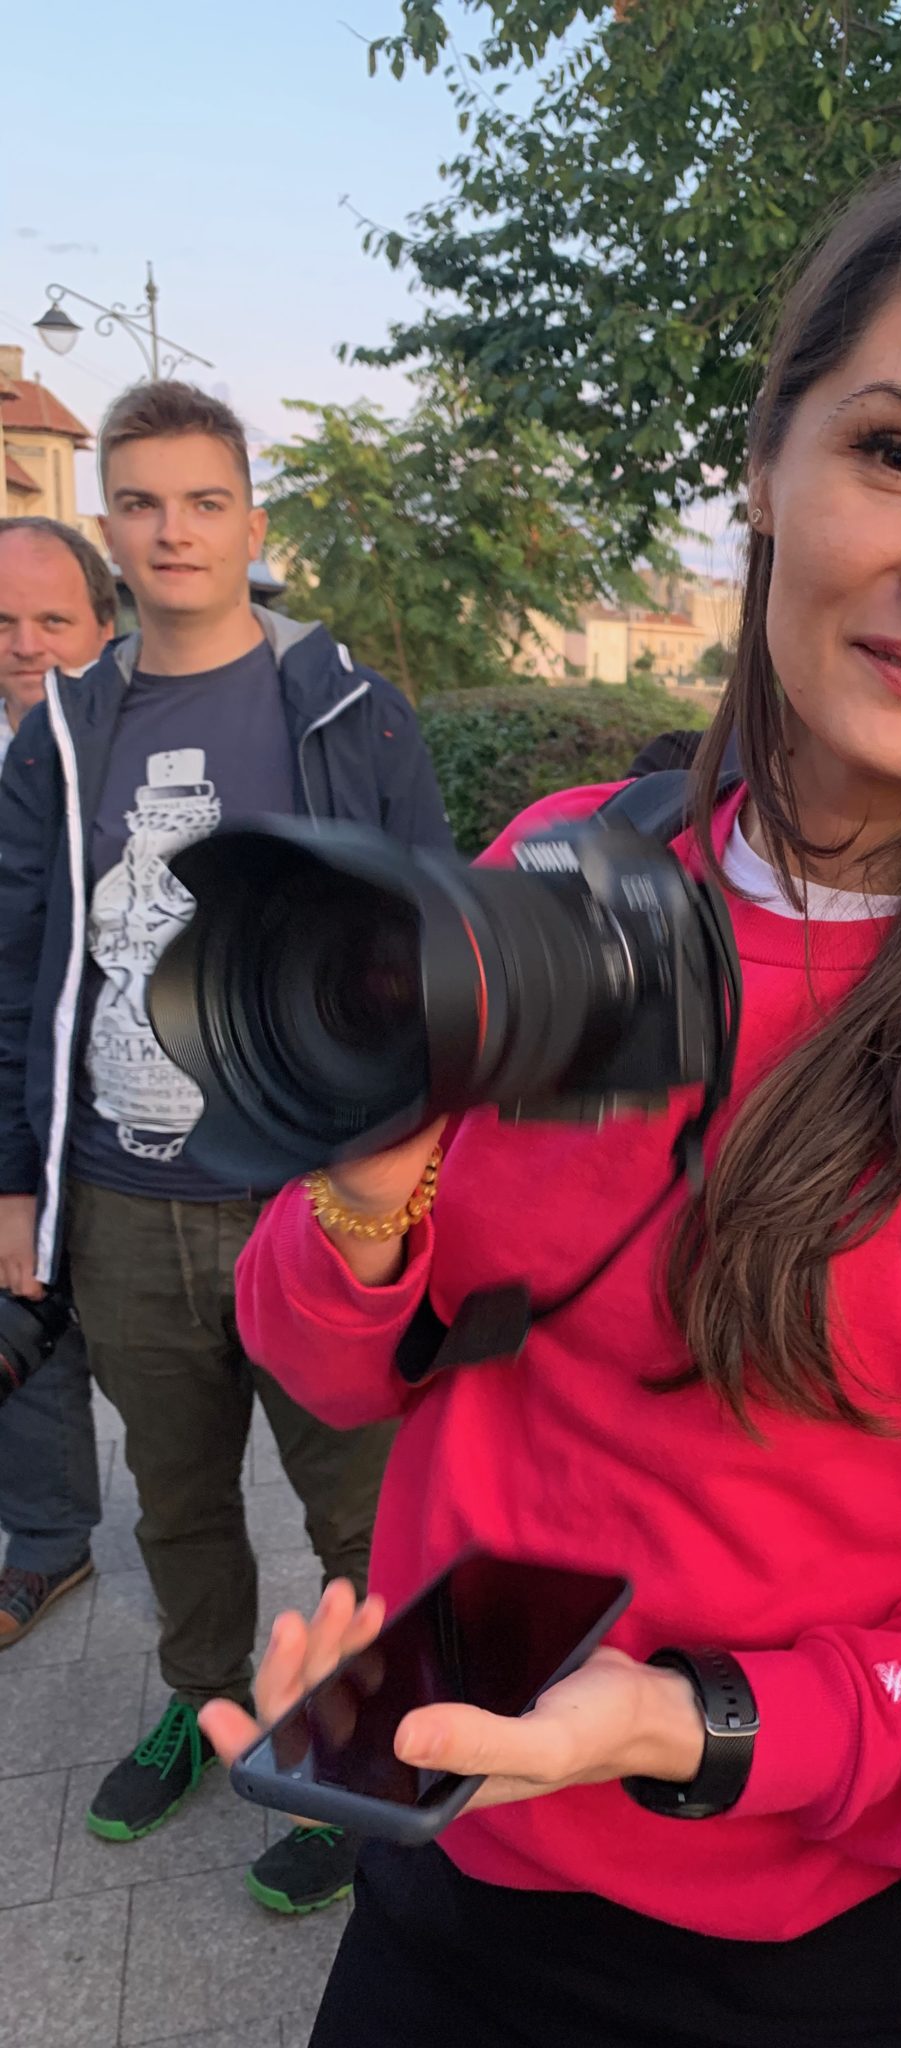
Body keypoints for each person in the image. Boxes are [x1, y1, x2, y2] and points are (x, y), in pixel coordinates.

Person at [208, 159, 901, 2045]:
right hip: (436, 1869)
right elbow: (329, 1362)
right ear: (766, 466)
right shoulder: (573, 866)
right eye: (896, 451)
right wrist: (370, 1179)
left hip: (791, 1965)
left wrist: (692, 1722)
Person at [0, 381, 456, 1915]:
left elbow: (434, 943)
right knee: (177, 1494)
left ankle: (364, 1757)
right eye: (140, 502)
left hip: (314, 1199)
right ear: (109, 526)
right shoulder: (62, 736)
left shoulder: (346, 709)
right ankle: (203, 1702)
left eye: (204, 501)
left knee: (358, 1507)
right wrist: (14, 1180)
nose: (173, 530)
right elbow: (15, 964)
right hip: (126, 1199)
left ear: (252, 523)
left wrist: (405, 1175)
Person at [0, 517, 116, 1647]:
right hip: (12, 1095)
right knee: (21, 1305)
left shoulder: (140, 750)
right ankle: (46, 1540)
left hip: (124, 1105)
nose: (25, 643)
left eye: (52, 619)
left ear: (103, 628)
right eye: (2, 621)